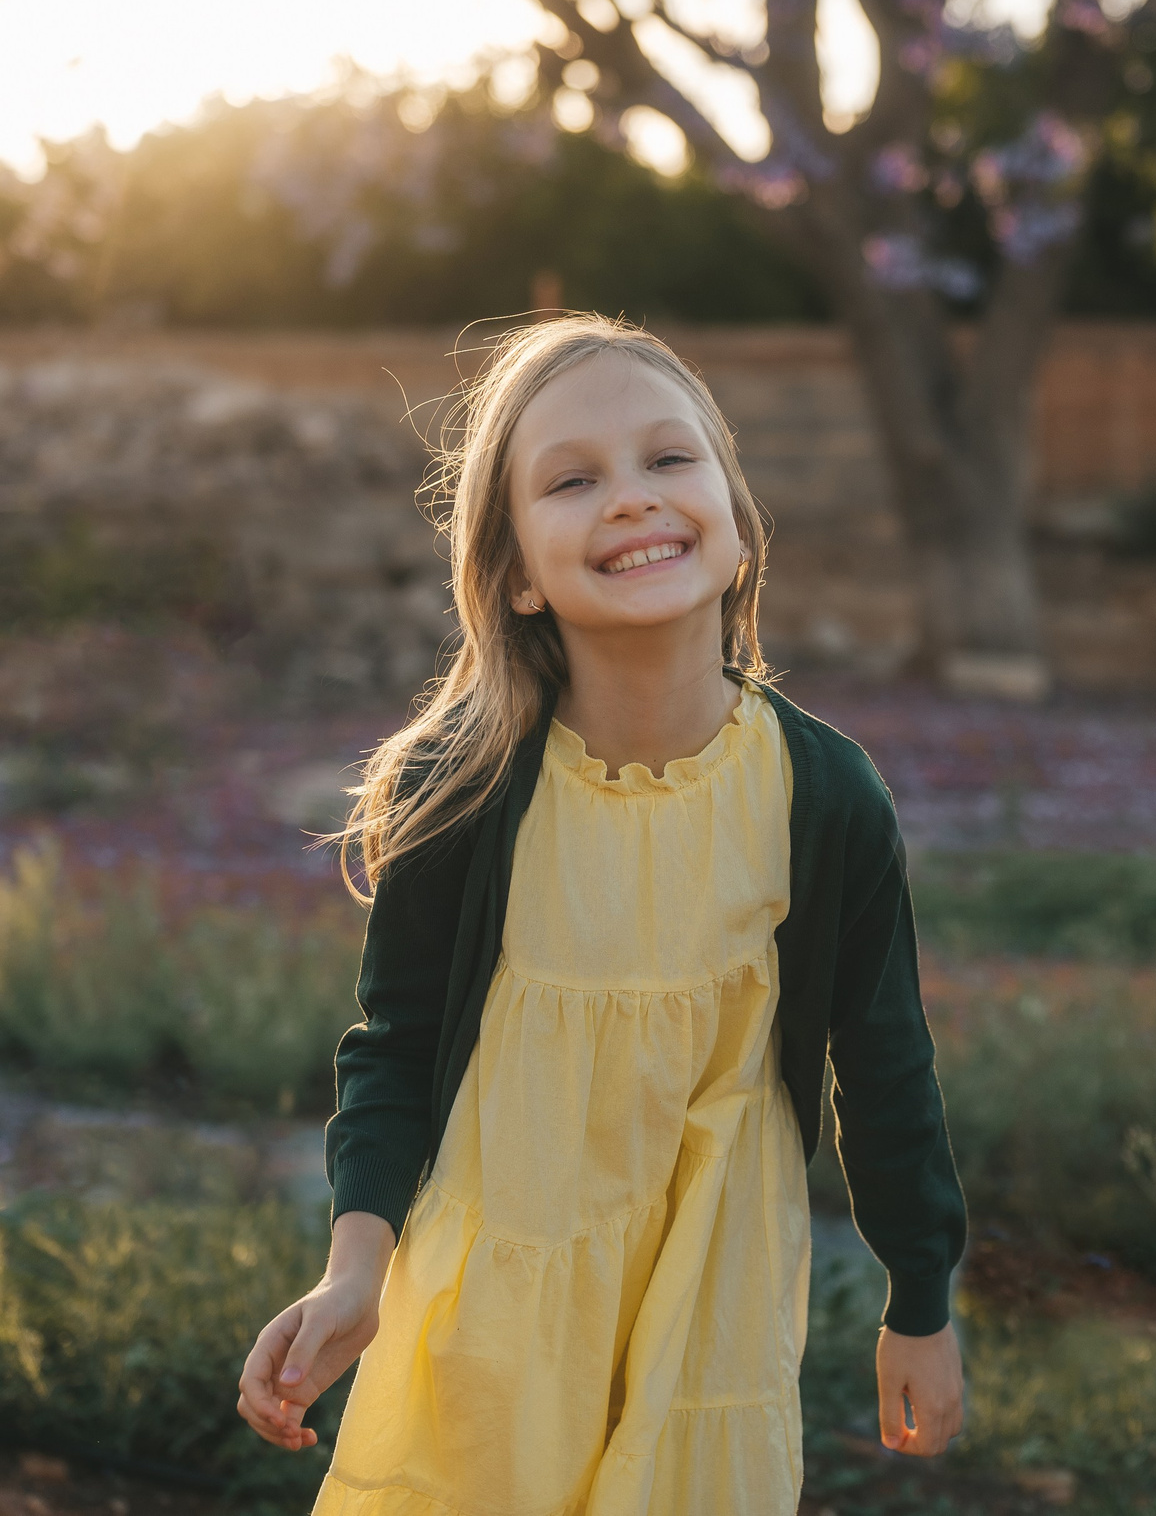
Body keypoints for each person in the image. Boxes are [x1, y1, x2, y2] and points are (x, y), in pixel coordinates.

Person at [235, 315, 968, 1514]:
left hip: (710, 1311)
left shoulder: (824, 795)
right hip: (496, 1319)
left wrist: (920, 1299)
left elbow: (884, 1063)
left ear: (734, 522)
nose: (631, 496)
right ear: (518, 571)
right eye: (571, 479)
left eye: (670, 459)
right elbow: (395, 1046)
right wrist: (353, 1271)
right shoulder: (466, 788)